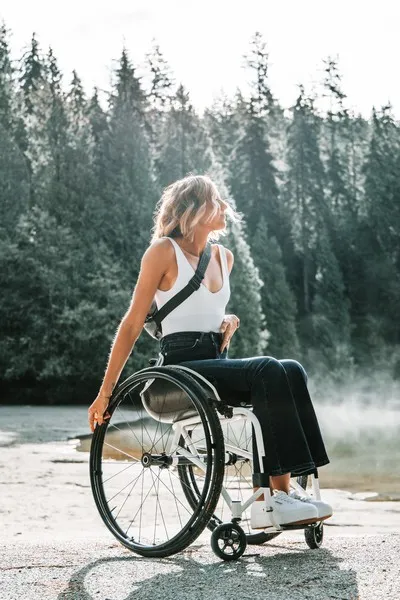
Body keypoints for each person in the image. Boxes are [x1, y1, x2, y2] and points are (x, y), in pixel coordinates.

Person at [88, 173, 333, 530]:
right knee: (266, 368)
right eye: (216, 200)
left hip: (212, 361)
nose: (224, 208)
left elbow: (205, 310)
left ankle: (284, 489)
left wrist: (226, 320)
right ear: (196, 208)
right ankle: (273, 498)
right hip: (177, 371)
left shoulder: (224, 257)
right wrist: (104, 392)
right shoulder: (162, 252)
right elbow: (131, 324)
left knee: (291, 369)